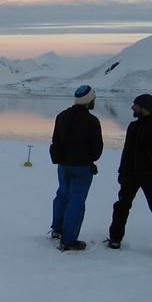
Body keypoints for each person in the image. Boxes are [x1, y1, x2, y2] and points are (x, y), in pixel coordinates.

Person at [107, 93, 152, 253]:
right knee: (121, 206)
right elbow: (127, 150)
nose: (132, 107)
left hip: (150, 176)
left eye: (135, 105)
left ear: (144, 107)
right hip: (130, 174)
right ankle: (115, 239)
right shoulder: (133, 126)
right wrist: (121, 170)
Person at [50, 85, 103, 251]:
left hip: (63, 165)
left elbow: (56, 139)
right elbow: (97, 149)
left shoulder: (62, 116)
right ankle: (69, 240)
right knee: (76, 201)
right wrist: (90, 158)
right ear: (89, 100)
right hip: (81, 167)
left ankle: (57, 230)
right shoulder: (92, 121)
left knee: (62, 195)